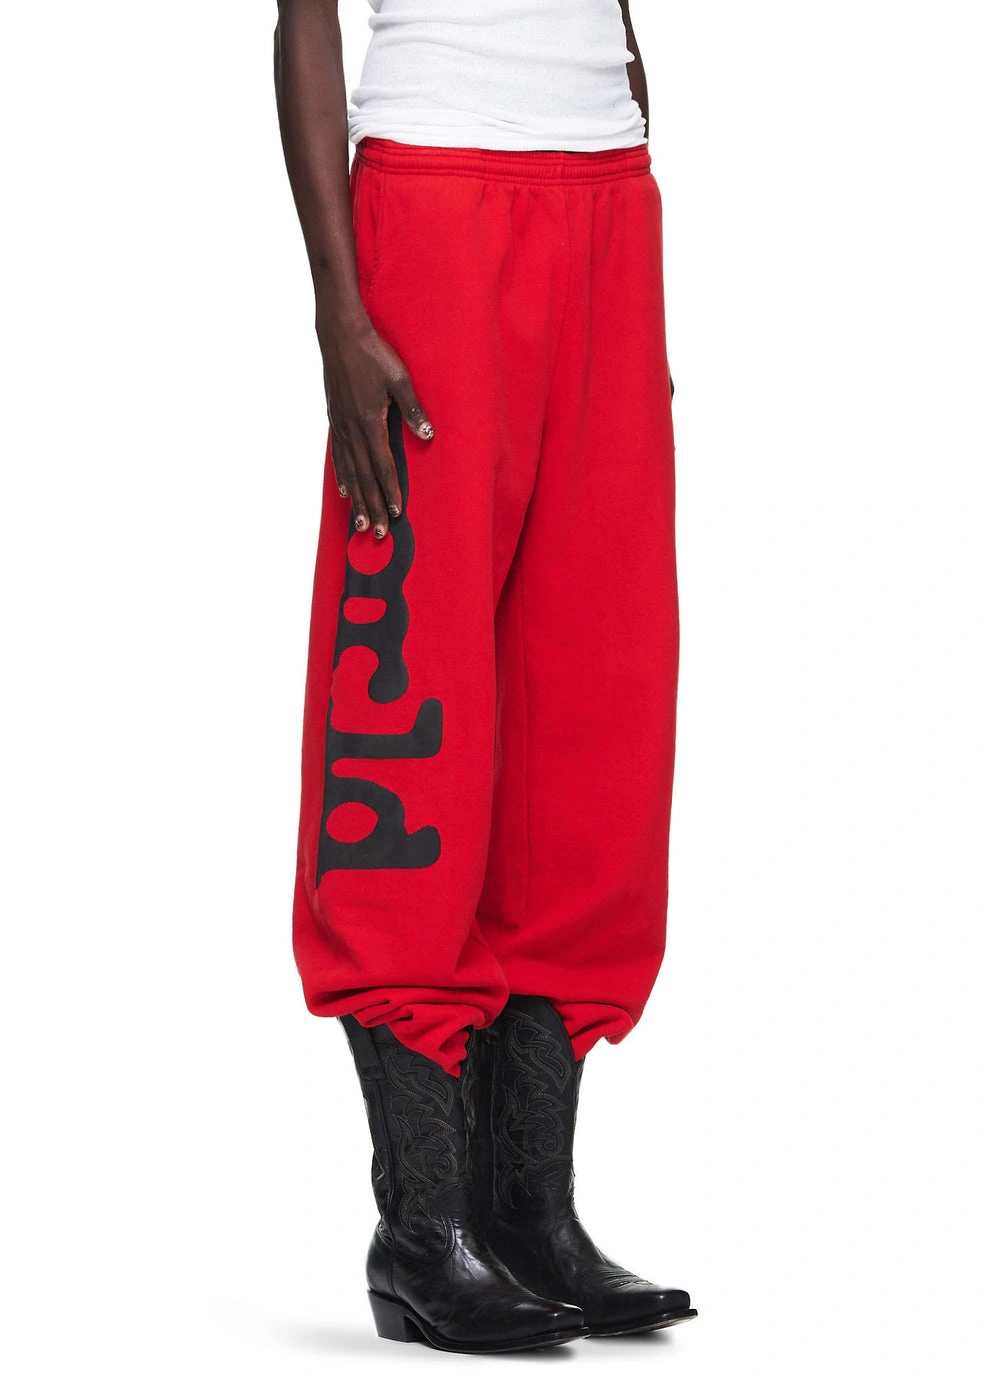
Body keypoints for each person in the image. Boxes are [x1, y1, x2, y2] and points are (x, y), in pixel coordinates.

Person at [274, 0, 695, 1353]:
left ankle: (527, 1215)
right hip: (434, 195)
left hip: (608, 198)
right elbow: (303, 19)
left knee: (597, 702)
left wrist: (633, 198)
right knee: (413, 696)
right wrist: (341, 313)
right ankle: (422, 1231)